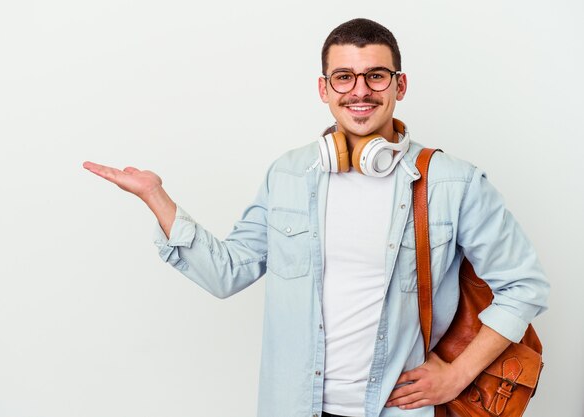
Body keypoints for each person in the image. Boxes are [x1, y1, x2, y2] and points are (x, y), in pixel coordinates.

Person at [83, 18, 549, 417]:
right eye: (343, 77)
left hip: (395, 408)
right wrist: (156, 197)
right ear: (324, 88)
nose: (360, 91)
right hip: (294, 404)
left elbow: (523, 285)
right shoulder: (288, 173)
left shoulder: (454, 182)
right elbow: (228, 272)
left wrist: (455, 376)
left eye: (376, 77)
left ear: (400, 85)